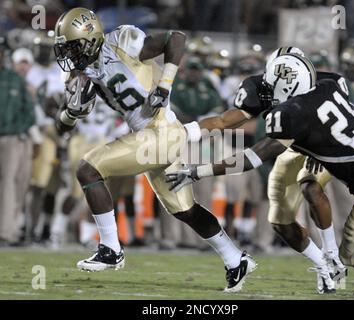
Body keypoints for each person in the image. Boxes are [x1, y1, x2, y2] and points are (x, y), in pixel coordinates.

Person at [53, 7, 254, 292]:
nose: (69, 55)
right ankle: (235, 259)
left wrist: (165, 84)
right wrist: (70, 114)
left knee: (88, 169)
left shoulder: (120, 41)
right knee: (185, 210)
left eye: (72, 47)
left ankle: (111, 248)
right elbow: (61, 126)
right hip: (154, 138)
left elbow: (176, 38)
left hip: (160, 133)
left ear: (90, 38)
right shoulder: (81, 73)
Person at [167, 53, 354, 291]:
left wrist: (198, 171)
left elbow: (252, 158)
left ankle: (331, 257)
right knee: (283, 217)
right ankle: (325, 260)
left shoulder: (292, 112)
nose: (266, 90)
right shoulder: (328, 84)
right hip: (321, 151)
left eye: (271, 85)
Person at [0, 44, 36, 245]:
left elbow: (30, 113)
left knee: (9, 184)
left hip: (11, 138)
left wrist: (16, 129)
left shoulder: (14, 80)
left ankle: (5, 233)